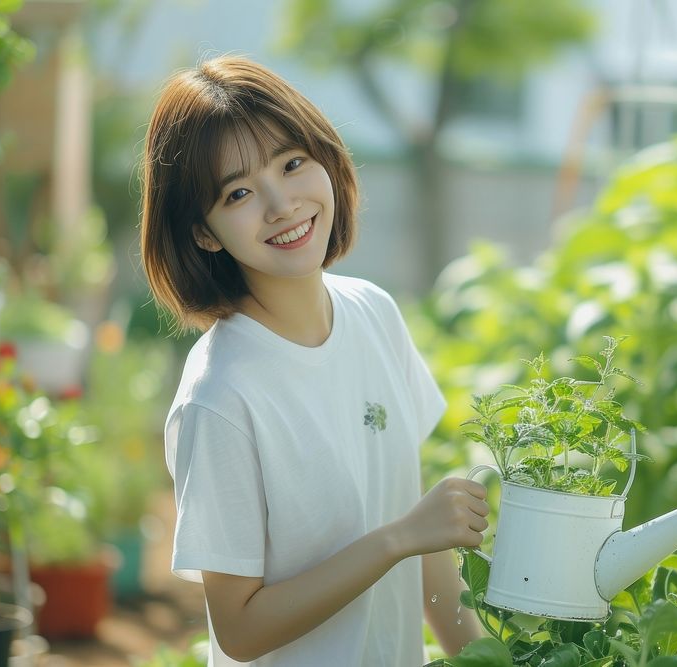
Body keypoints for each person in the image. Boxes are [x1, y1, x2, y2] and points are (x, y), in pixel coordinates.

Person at [139, 55, 490, 666]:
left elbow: (424, 542)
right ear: (204, 232)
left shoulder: (375, 313)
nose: (282, 205)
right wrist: (398, 540)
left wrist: (490, 660)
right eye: (239, 192)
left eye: (292, 163)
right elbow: (239, 630)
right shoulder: (219, 397)